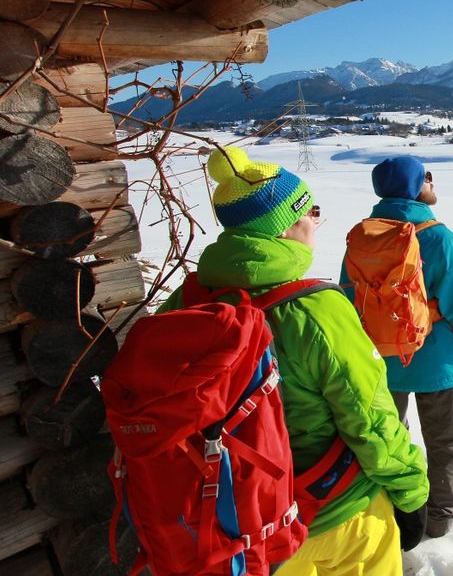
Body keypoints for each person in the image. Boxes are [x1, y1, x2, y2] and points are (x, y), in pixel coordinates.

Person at [159, 146, 429, 575]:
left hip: (239, 523)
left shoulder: (184, 302)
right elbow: (370, 419)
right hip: (337, 513)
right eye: (311, 212)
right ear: (284, 227)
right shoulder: (316, 309)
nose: (315, 223)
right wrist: (412, 495)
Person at [340, 155, 453, 539]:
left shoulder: (362, 237)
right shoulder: (438, 237)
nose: (432, 181)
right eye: (426, 176)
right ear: (413, 186)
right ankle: (438, 519)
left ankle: (396, 510)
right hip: (438, 361)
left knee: (388, 441)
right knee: (447, 442)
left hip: (379, 361)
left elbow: (348, 299)